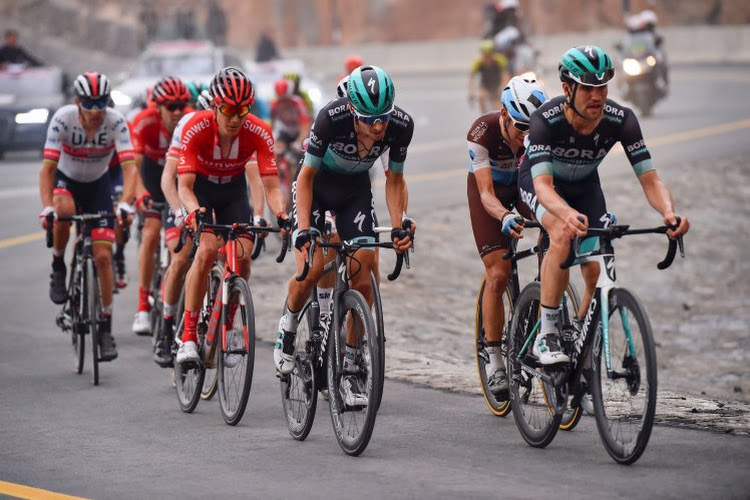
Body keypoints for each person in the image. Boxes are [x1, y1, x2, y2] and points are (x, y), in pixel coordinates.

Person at [517, 46, 689, 365]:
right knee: (560, 232)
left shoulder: (621, 120)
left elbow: (650, 179)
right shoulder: (546, 121)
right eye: (587, 88)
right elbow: (542, 186)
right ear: (567, 88)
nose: (596, 96)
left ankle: (579, 333)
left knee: (595, 269)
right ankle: (547, 336)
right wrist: (565, 214)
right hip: (541, 184)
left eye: (603, 87)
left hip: (585, 187)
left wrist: (668, 212)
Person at [273, 65, 414, 407]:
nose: (378, 127)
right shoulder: (329, 119)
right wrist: (303, 228)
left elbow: (394, 180)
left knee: (363, 273)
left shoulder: (400, 126)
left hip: (354, 191)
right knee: (313, 266)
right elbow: (304, 177)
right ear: (352, 110)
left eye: (383, 117)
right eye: (369, 119)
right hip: (317, 187)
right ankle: (288, 326)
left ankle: (350, 367)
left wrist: (399, 224)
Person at [175, 67, 288, 365]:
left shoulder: (258, 130)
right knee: (208, 250)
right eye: (228, 109)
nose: (236, 118)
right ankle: (187, 336)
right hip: (202, 192)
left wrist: (280, 215)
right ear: (214, 105)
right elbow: (184, 186)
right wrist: (192, 213)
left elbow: (271, 185)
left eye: (243, 110)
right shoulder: (196, 127)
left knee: (242, 257)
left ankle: (227, 326)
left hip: (233, 193)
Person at [39, 72, 137, 361]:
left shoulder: (116, 122)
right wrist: (47, 207)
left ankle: (105, 329)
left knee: (104, 257)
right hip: (66, 180)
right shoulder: (63, 119)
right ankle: (58, 265)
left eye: (101, 103)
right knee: (64, 213)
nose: (95, 110)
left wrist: (127, 203)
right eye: (89, 104)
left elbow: (130, 168)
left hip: (98, 185)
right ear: (77, 102)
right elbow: (46, 169)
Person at [466, 75, 548, 399]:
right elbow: (486, 194)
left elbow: (547, 187)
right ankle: (495, 360)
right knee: (498, 272)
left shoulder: (540, 134)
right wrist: (504, 215)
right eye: (518, 126)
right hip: (492, 194)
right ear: (503, 113)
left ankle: (539, 316)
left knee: (555, 243)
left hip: (524, 189)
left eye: (532, 130)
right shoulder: (481, 132)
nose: (523, 136)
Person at [130, 76, 191, 336]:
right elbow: (133, 166)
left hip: (180, 181)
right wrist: (141, 194)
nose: (177, 111)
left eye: (181, 105)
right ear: (158, 107)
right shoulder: (143, 122)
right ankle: (143, 306)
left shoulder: (190, 120)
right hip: (152, 179)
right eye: (170, 106)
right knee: (151, 232)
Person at [468, 41, 509, 114]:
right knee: (481, 97)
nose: (487, 58)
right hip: (485, 85)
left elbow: (505, 75)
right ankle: (484, 115)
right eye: (485, 55)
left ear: (493, 53)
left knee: (498, 106)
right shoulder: (478, 62)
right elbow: (471, 77)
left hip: (497, 85)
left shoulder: (499, 60)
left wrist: (503, 87)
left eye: (489, 55)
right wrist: (470, 92)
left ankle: (501, 118)